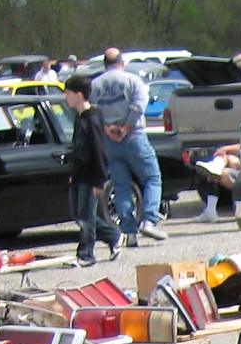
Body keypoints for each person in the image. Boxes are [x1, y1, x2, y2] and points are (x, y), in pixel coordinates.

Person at [91, 47, 167, 243]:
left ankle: (129, 232)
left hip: (109, 140)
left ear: (105, 65)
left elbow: (93, 111)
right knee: (152, 178)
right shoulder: (133, 80)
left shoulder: (95, 84)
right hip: (134, 136)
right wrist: (126, 127)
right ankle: (149, 220)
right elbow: (139, 106)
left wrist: (108, 128)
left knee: (121, 186)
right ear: (122, 63)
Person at [62, 74, 115, 265]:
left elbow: (99, 150)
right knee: (79, 214)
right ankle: (113, 236)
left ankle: (86, 254)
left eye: (67, 93)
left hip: (91, 175)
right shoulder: (80, 117)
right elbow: (79, 148)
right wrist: (73, 172)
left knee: (86, 217)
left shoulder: (92, 118)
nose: (65, 98)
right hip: (79, 174)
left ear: (78, 95)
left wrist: (99, 180)